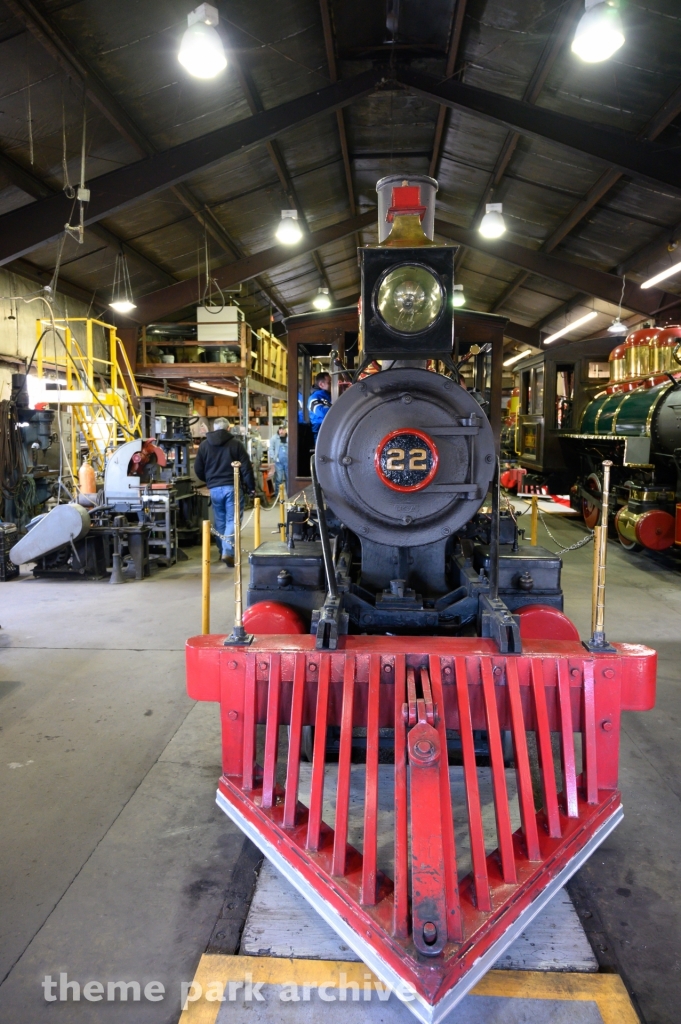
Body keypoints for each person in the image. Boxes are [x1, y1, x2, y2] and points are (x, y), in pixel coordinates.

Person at [194, 418, 255, 567]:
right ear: (228, 429)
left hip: (214, 489)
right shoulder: (236, 444)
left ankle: (223, 550)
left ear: (214, 428)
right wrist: (251, 487)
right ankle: (228, 551)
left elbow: (198, 469)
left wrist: (210, 480)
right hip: (231, 487)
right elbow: (246, 468)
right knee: (232, 520)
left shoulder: (204, 445)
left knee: (220, 521)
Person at [308, 372, 332, 440]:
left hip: (328, 426)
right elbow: (322, 412)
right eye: (329, 383)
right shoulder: (314, 397)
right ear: (321, 384)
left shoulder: (328, 395)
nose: (332, 385)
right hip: (320, 428)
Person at [269, 424, 288, 493]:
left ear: (286, 430)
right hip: (278, 462)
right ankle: (278, 496)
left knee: (289, 480)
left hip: (288, 462)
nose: (281, 431)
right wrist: (274, 457)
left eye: (283, 429)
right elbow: (271, 449)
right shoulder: (274, 438)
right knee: (279, 479)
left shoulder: (290, 437)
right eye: (280, 429)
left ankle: (290, 497)